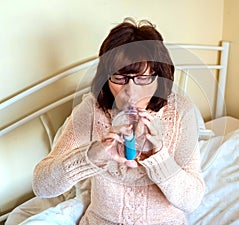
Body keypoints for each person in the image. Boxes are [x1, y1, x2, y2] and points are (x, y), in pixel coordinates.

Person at [32, 17, 205, 225]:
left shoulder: (180, 111)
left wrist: (158, 156)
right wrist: (90, 157)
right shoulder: (92, 110)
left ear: (158, 77)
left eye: (142, 78)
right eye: (120, 78)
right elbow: (41, 186)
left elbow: (192, 200)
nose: (130, 92)